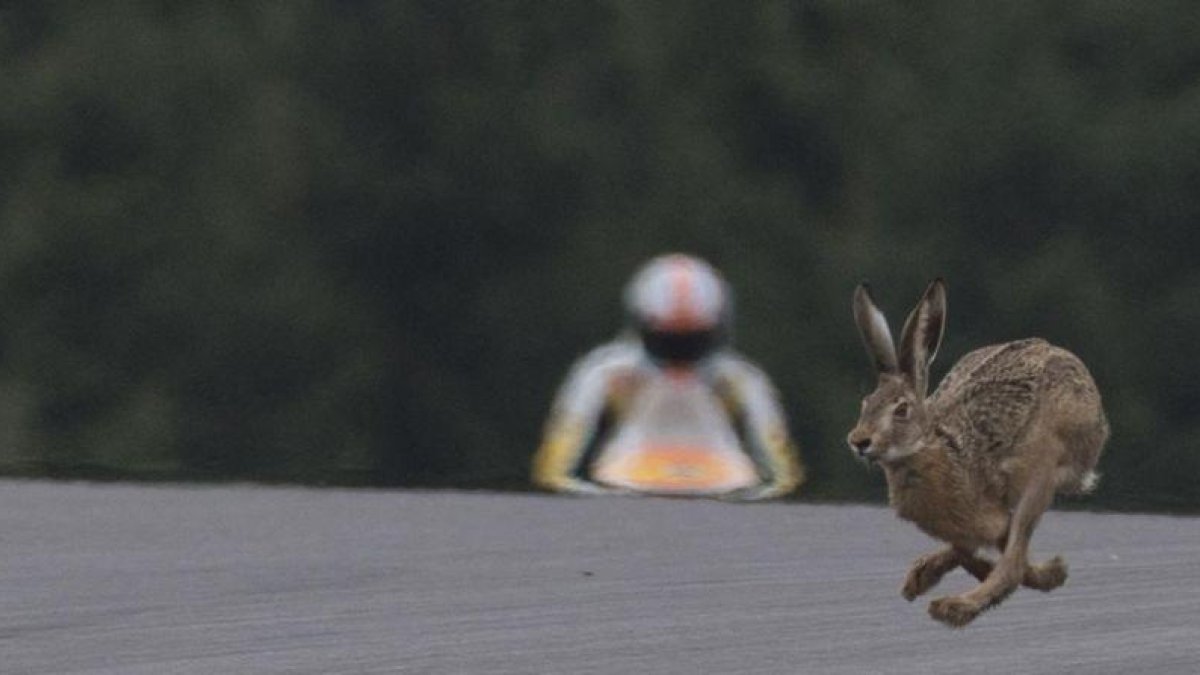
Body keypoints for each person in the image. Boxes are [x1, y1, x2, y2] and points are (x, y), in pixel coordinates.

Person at [531, 253, 804, 500]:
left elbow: (781, 467)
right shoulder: (609, 372)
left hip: (720, 475)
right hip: (631, 473)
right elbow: (557, 460)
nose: (679, 358)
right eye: (672, 342)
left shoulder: (736, 378)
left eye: (690, 341)